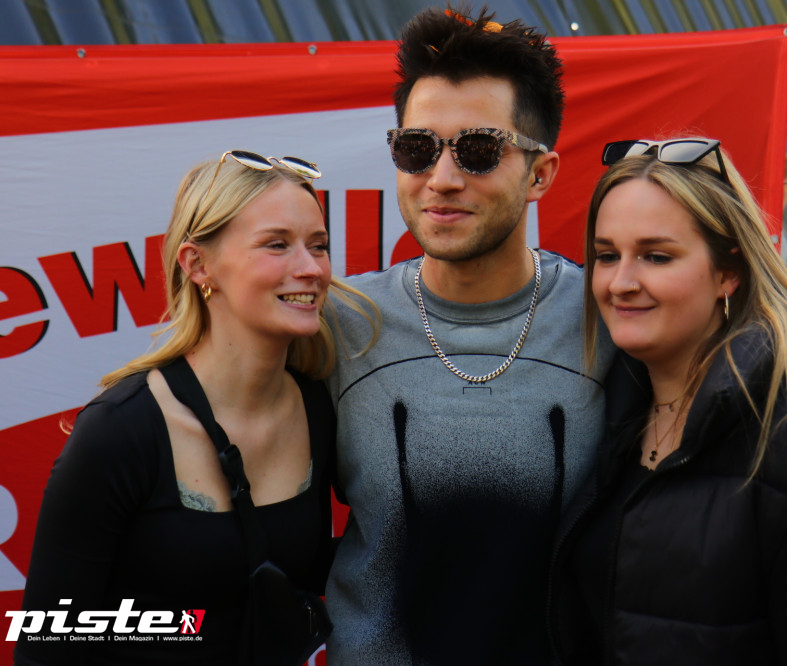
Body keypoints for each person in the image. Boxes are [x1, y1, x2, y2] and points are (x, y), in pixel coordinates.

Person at [548, 138, 787, 664]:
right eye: (605, 256)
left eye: (656, 256)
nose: (620, 282)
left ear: (728, 272)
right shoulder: (602, 407)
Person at [323, 6, 613, 664]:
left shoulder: (609, 320)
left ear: (541, 174)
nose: (443, 179)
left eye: (479, 150)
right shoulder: (339, 323)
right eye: (416, 148)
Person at [16, 150, 376, 665]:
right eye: (277, 244)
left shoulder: (319, 406)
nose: (310, 268)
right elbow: (46, 647)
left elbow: (305, 565)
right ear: (197, 264)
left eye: (318, 246)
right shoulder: (121, 431)